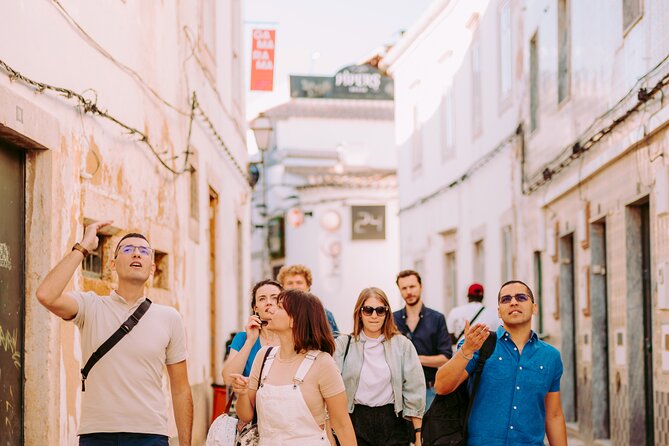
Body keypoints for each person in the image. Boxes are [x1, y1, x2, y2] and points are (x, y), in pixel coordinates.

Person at [35, 221, 193, 446]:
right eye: (127, 249)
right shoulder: (90, 306)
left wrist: (186, 444)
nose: (136, 253)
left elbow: (180, 388)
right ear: (112, 263)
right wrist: (82, 247)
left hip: (149, 434)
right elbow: (46, 295)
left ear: (152, 268)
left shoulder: (170, 317)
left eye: (144, 251)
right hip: (97, 434)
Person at [434, 280, 567, 446]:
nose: (513, 302)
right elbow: (441, 386)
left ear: (534, 307)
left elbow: (553, 415)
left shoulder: (550, 356)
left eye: (521, 297)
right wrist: (467, 350)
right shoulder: (478, 344)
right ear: (498, 311)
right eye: (506, 299)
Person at [230, 289, 356, 445]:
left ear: (295, 320)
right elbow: (246, 416)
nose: (270, 309)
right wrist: (242, 393)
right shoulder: (263, 357)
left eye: (280, 306)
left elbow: (342, 424)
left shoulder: (323, 363)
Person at [334, 287, 425, 446]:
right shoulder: (343, 345)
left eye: (380, 310)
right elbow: (331, 390)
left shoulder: (402, 345)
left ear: (387, 313)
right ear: (359, 313)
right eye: (368, 310)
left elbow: (414, 390)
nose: (374, 315)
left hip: (393, 422)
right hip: (355, 421)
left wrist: (418, 435)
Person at [393, 269, 452, 410]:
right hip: (399, 392)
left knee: (429, 432)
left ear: (421, 286)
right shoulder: (392, 319)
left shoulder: (437, 318)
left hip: (429, 391)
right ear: (399, 290)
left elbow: (445, 357)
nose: (408, 292)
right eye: (404, 288)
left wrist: (414, 359)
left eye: (412, 286)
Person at [222, 280, 282, 384]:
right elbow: (228, 380)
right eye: (262, 298)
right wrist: (250, 341)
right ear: (255, 308)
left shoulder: (293, 337)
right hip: (249, 400)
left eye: (275, 297)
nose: (268, 302)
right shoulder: (242, 338)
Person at [277, 264, 340, 336]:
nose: (294, 287)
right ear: (282, 288)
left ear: (308, 286)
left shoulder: (324, 314)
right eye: (290, 283)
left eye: (299, 282)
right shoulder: (277, 315)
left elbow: (335, 342)